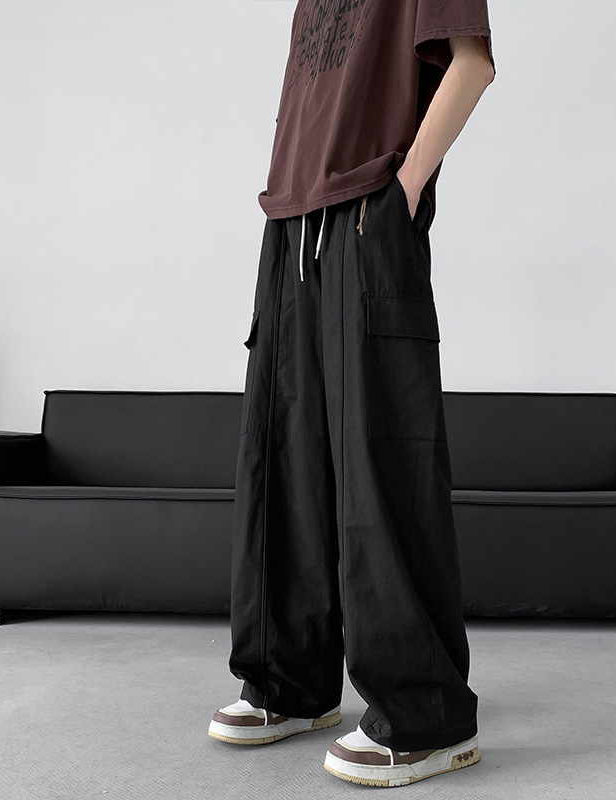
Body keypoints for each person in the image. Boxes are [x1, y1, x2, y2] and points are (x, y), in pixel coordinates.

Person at [208, 0, 496, 788]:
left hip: (368, 214)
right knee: (283, 464)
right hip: (287, 224)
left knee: (382, 467)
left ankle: (426, 716)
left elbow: (472, 63)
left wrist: (403, 190)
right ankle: (288, 683)